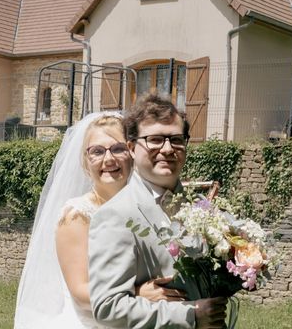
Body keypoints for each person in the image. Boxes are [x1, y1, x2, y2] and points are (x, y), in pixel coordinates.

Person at [15, 112, 184, 329]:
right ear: (86, 162)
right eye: (97, 151)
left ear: (132, 152)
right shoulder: (77, 215)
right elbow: (81, 293)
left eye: (118, 149)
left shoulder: (150, 207)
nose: (109, 159)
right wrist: (137, 293)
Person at [88, 94, 229, 329]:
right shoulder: (115, 215)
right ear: (132, 148)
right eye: (154, 140)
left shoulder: (200, 206)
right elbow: (107, 307)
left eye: (176, 140)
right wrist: (190, 315)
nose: (167, 149)